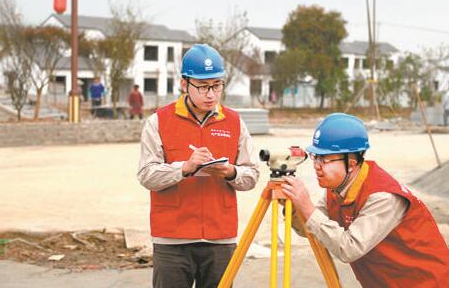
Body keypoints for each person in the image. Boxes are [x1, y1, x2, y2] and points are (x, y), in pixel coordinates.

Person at [137, 44, 260, 288]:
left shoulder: (235, 122)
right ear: (184, 84)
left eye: (216, 85)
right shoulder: (159, 122)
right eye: (203, 87)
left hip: (220, 239)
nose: (211, 94)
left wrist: (231, 172)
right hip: (172, 240)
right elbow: (146, 174)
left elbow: (252, 175)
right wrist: (184, 168)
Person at [281, 113, 449, 287]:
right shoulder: (336, 189)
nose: (317, 166)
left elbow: (349, 248)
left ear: (351, 164)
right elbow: (313, 229)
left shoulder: (383, 197)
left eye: (325, 159)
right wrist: (294, 207)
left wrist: (307, 207)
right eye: (315, 157)